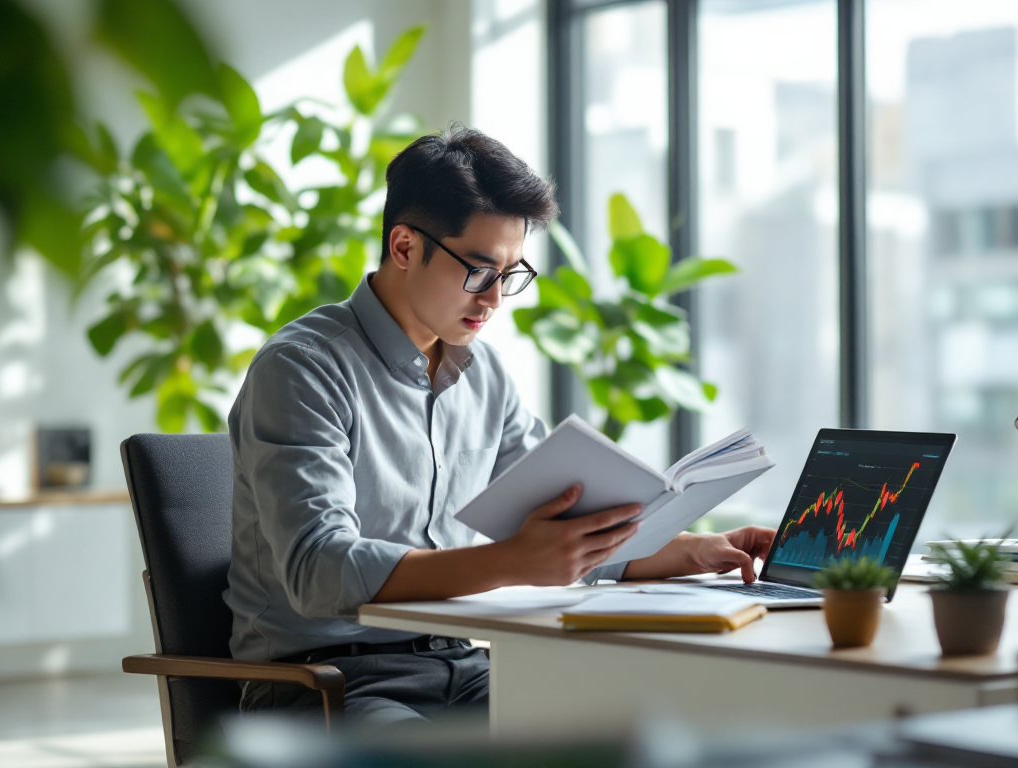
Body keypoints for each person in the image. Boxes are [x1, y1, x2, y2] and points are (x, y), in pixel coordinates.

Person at [227, 125, 775, 726]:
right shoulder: (303, 367)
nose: (494, 299)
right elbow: (318, 571)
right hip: (324, 682)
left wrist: (690, 550)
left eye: (510, 273)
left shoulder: (484, 375)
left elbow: (563, 532)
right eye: (478, 270)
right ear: (405, 247)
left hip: (460, 663)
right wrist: (513, 562)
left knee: (636, 731)